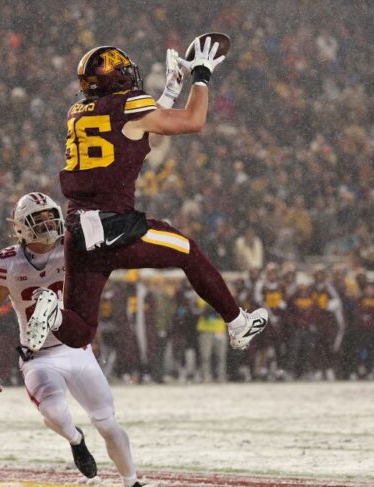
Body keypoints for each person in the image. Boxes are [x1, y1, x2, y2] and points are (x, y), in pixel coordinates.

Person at [25, 39, 268, 367]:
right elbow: (193, 120)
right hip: (112, 226)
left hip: (78, 231)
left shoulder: (78, 112)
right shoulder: (129, 104)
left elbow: (136, 139)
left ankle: (52, 313)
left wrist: (167, 97)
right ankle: (238, 323)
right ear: (115, 76)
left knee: (79, 331)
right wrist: (201, 75)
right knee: (187, 251)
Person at [0, 193, 154, 487]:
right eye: (39, 219)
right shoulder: (7, 262)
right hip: (38, 356)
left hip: (75, 347)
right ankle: (76, 439)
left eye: (50, 216)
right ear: (21, 227)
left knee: (107, 422)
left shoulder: (72, 247)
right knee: (55, 412)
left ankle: (131, 482)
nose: (48, 223)